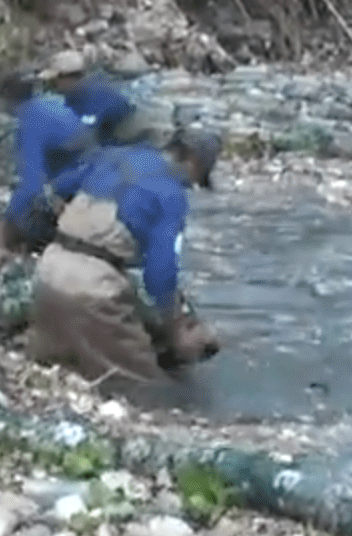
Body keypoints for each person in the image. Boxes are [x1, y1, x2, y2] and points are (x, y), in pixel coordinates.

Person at [28, 128, 225, 385]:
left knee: (61, 372)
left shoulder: (116, 158)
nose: (191, 186)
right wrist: (178, 329)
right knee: (144, 387)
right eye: (197, 179)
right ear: (194, 162)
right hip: (93, 289)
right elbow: (160, 274)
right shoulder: (170, 193)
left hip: (47, 272)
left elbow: (52, 192)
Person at [0, 77, 96, 253]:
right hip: (102, 164)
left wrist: (7, 222)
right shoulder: (53, 101)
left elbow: (32, 185)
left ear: (7, 101)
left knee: (31, 220)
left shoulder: (29, 123)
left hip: (84, 179)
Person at [40, 50, 161, 147]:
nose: (52, 84)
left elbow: (86, 130)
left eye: (54, 80)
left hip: (129, 140)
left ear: (67, 77)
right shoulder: (77, 92)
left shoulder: (91, 92)